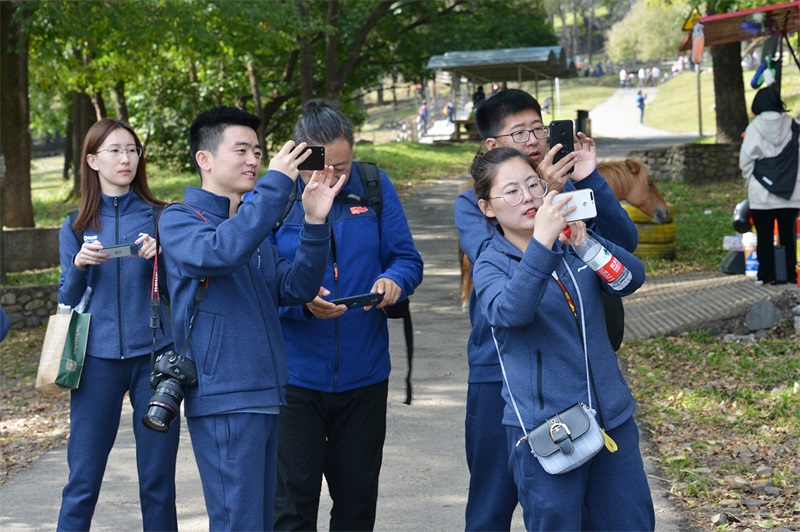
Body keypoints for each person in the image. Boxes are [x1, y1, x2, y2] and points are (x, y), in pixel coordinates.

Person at [454, 88, 638, 531]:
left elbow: (625, 252)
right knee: (493, 501)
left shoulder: (561, 193)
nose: (534, 138)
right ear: (492, 145)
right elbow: (499, 273)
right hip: (496, 367)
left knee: (611, 510)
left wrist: (588, 179)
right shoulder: (475, 203)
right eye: (520, 131)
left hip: (578, 372)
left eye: (538, 127)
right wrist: (540, 201)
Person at [157, 106, 344, 531]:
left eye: (258, 151)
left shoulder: (249, 223)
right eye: (241, 150)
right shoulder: (180, 219)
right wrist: (277, 184)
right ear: (204, 159)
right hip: (225, 394)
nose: (254, 160)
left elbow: (294, 289)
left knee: (259, 522)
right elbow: (218, 253)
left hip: (266, 391)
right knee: (237, 521)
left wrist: (315, 220)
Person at [271, 99, 423, 530]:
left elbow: (407, 258)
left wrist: (395, 280)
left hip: (365, 376)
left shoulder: (374, 185)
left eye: (343, 163)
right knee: (292, 505)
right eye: (322, 165)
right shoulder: (275, 195)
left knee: (356, 504)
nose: (333, 176)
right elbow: (256, 281)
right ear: (300, 154)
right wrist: (300, 304)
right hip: (294, 381)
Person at [56, 118, 178, 531]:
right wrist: (78, 265)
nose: (126, 158)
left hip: (156, 361)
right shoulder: (75, 224)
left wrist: (163, 257)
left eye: (132, 149)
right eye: (115, 150)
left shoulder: (163, 217)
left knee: (158, 482)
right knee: (83, 479)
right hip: (95, 363)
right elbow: (67, 297)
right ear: (92, 160)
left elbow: (182, 291)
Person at [739, 86, 800, 285]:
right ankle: (791, 275)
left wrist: (752, 181)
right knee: (789, 237)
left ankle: (766, 275)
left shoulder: (754, 127)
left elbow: (746, 161)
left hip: (761, 193)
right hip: (791, 192)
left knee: (764, 237)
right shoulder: (794, 125)